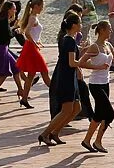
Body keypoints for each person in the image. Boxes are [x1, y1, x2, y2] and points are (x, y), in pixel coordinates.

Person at [39, 14, 93, 146]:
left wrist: (83, 49)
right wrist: (87, 62)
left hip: (69, 77)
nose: (81, 25)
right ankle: (45, 134)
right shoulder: (69, 40)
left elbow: (70, 55)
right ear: (74, 25)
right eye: (79, 23)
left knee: (76, 108)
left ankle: (55, 133)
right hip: (66, 78)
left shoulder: (68, 39)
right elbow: (72, 62)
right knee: (67, 109)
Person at [80, 21, 114, 153]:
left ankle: (91, 141)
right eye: (109, 29)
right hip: (95, 84)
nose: (111, 31)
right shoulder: (94, 47)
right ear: (102, 30)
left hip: (106, 82)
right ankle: (95, 141)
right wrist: (97, 67)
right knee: (109, 114)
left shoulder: (108, 45)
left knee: (99, 114)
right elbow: (81, 63)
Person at [15, 0, 52, 108]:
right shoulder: (32, 18)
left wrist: (37, 41)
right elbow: (26, 33)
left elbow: (31, 32)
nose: (42, 8)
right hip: (31, 48)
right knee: (44, 71)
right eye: (41, 6)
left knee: (31, 75)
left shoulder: (33, 17)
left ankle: (24, 99)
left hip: (31, 47)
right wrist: (34, 43)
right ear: (36, 6)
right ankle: (59, 93)